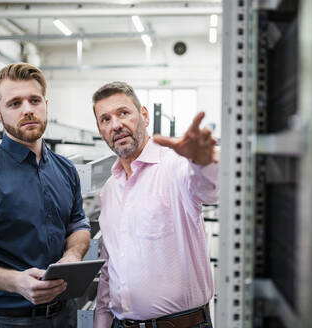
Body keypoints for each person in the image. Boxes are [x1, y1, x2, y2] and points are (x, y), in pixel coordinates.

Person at [0, 63, 91, 328]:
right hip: (3, 320)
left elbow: (79, 225)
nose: (27, 109)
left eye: (34, 100)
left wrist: (72, 256)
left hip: (64, 316)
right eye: (14, 103)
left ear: (45, 104)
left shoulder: (66, 169)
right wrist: (15, 282)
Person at [92, 81, 218, 328]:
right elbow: (110, 270)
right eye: (105, 119)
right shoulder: (109, 190)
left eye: (123, 113)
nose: (116, 125)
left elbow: (210, 188)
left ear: (144, 116)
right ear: (100, 130)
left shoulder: (176, 167)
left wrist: (204, 162)